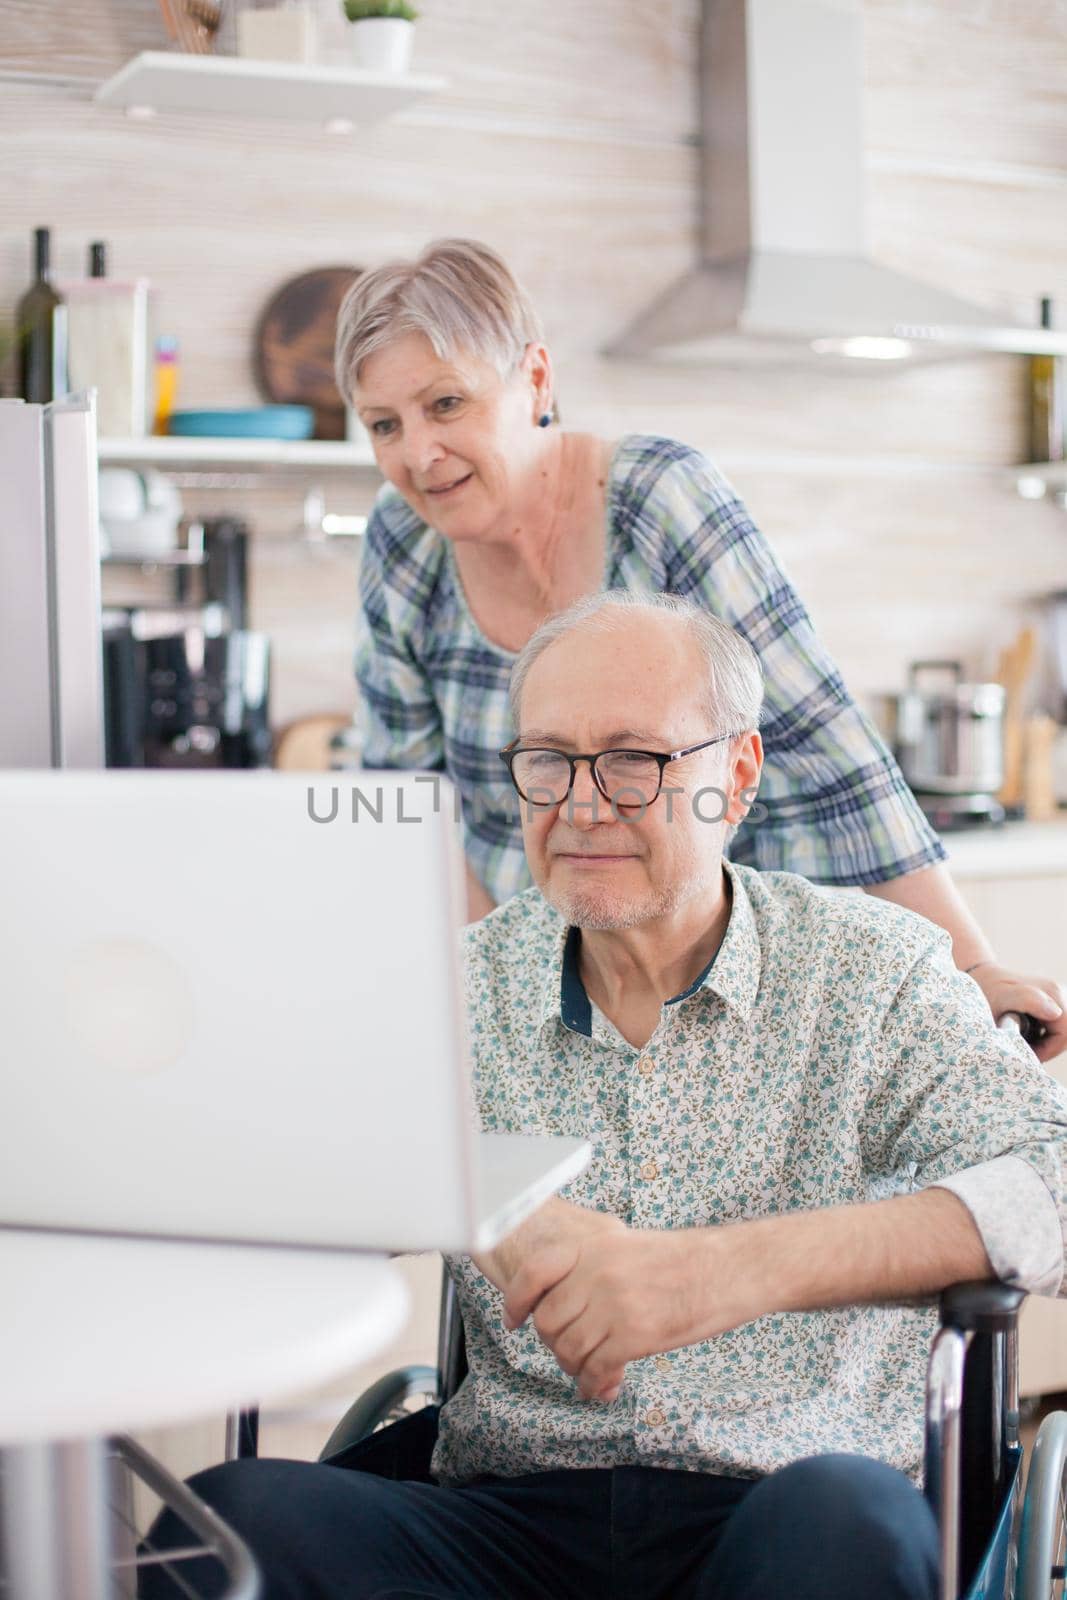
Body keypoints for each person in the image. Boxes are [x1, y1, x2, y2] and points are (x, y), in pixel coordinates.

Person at [143, 592, 1067, 1600]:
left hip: (785, 1505)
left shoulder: (870, 972)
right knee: (232, 1526)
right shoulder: (455, 988)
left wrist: (717, 1272)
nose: (580, 805)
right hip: (508, 1516)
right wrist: (480, 1200)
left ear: (737, 775)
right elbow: (253, 1158)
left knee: (839, 1529)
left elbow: (1054, 1181)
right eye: (547, 760)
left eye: (634, 761)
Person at [335, 237, 1066, 1061]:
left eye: (445, 405)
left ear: (535, 380)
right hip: (559, 978)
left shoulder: (658, 496)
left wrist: (969, 966)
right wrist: (484, 998)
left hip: (738, 972)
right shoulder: (402, 542)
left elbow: (824, 746)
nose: (416, 455)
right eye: (382, 424)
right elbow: (412, 800)